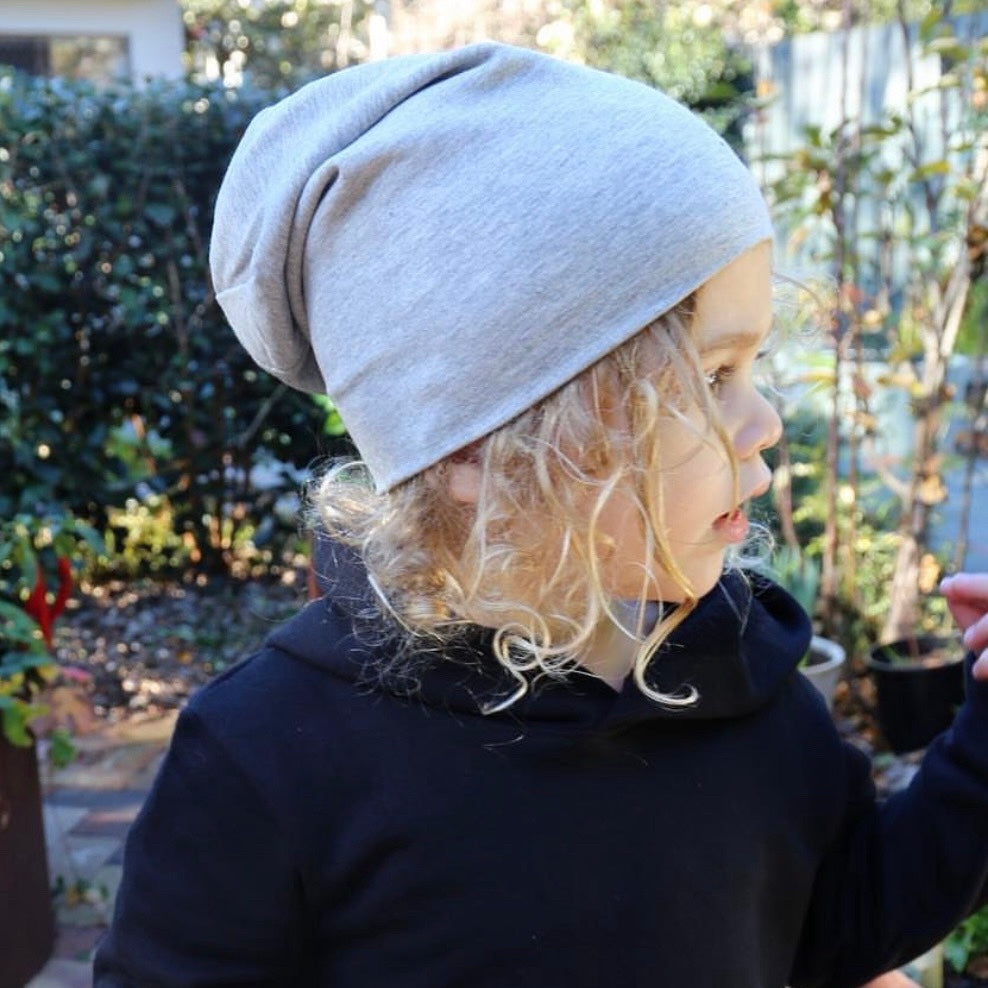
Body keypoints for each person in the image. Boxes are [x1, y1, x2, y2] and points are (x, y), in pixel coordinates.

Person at [93, 43, 988, 987]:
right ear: (480, 446)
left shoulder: (739, 681)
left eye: (753, 369)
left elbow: (841, 927)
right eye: (714, 376)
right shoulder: (273, 756)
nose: (764, 421)